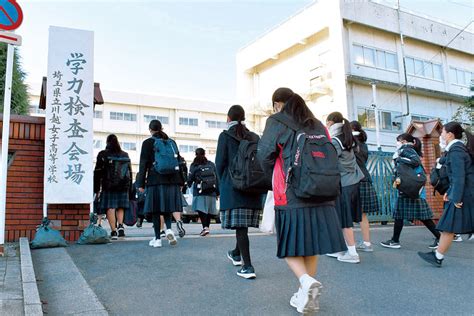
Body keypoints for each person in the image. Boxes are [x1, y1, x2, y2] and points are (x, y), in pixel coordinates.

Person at [258, 88, 347, 314]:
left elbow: (264, 155)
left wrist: (274, 172)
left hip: (291, 192)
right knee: (311, 244)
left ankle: (305, 282)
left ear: (278, 103)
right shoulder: (317, 123)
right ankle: (303, 293)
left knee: (290, 243)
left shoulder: (277, 121)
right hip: (323, 192)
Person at [216, 105, 264, 279]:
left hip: (234, 186)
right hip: (253, 185)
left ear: (228, 118)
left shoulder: (225, 136)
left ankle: (248, 266)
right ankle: (236, 253)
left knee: (241, 228)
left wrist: (222, 185)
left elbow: (220, 164)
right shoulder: (253, 136)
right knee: (241, 226)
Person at [418, 122, 474, 267]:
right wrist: (450, 193)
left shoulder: (456, 151)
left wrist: (455, 196)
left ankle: (438, 256)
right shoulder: (455, 150)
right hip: (462, 194)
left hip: (462, 195)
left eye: (442, 132)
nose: (441, 135)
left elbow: (459, 176)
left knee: (449, 226)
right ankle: (438, 255)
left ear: (450, 134)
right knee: (448, 226)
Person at [381, 133, 440, 249]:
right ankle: (395, 240)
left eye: (398, 140)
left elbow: (415, 161)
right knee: (414, 215)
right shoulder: (408, 149)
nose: (396, 143)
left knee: (406, 214)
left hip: (409, 188)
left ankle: (395, 241)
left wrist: (399, 158)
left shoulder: (406, 149)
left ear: (403, 141)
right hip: (411, 188)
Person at [137, 119, 183, 248]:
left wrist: (140, 183)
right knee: (167, 207)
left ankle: (157, 239)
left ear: (150, 130)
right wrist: (181, 181)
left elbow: (143, 164)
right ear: (161, 128)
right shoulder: (171, 142)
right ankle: (169, 229)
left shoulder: (147, 143)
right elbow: (179, 162)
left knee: (156, 210)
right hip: (172, 180)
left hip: (155, 180)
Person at [326, 112, 364, 263]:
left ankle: (353, 254)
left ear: (331, 123)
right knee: (342, 219)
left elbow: (330, 161)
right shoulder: (349, 138)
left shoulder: (336, 140)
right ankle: (341, 249)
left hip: (344, 183)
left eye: (327, 123)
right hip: (353, 181)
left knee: (345, 221)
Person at [93, 134, 132, 240]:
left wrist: (96, 188)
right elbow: (130, 172)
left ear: (107, 143)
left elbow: (97, 172)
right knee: (120, 207)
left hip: (108, 186)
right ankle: (120, 227)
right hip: (123, 186)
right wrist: (130, 188)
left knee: (111, 207)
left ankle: (113, 231)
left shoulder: (103, 154)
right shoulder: (125, 155)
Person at [351, 121, 379, 252]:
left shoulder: (349, 143)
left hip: (352, 180)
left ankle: (348, 246)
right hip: (365, 178)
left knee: (346, 213)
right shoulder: (363, 144)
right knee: (362, 215)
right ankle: (367, 244)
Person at [188, 148, 219, 236]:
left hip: (199, 191)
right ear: (205, 154)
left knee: (201, 210)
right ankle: (206, 228)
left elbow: (190, 177)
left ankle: (205, 228)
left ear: (195, 154)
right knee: (208, 210)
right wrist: (217, 192)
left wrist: (188, 184)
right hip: (211, 191)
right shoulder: (211, 164)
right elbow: (217, 178)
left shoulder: (194, 165)